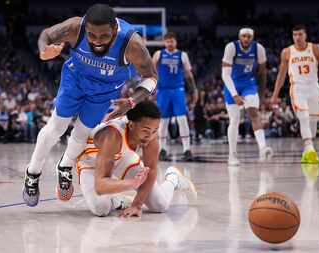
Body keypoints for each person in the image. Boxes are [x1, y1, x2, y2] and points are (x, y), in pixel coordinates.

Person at [23, 4, 157, 207]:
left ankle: (65, 167)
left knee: (82, 133)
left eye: (103, 36)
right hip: (74, 81)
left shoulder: (132, 44)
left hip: (104, 92)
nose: (96, 41)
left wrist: (131, 102)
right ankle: (32, 172)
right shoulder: (75, 27)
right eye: (92, 36)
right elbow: (46, 34)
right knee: (56, 128)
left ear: (114, 29)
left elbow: (151, 77)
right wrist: (44, 51)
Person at [76, 100, 196, 217]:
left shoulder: (151, 136)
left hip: (123, 159)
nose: (150, 136)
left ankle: (173, 178)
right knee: (101, 208)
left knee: (160, 205)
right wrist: (132, 183)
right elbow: (100, 185)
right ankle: (117, 199)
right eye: (146, 131)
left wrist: (137, 205)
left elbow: (152, 170)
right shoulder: (112, 135)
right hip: (91, 163)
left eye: (155, 131)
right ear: (132, 125)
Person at [271, 24, 319, 163]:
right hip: (297, 88)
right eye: (294, 35)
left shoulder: (315, 48)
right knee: (303, 116)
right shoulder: (287, 52)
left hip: (314, 87)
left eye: (300, 34)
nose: (297, 37)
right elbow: (281, 75)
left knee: (313, 120)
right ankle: (309, 148)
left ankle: (307, 150)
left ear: (306, 35)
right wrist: (275, 94)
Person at [221, 27, 273, 166]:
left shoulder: (259, 49)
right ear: (239, 37)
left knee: (253, 112)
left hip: (249, 85)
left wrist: (261, 94)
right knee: (234, 119)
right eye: (243, 36)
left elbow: (262, 73)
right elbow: (225, 75)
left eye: (249, 36)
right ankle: (232, 155)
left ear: (252, 37)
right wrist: (235, 95)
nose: (246, 39)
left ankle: (263, 148)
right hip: (232, 85)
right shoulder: (231, 47)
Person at [152, 32, 198, 161]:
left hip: (178, 90)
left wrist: (194, 89)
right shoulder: (158, 54)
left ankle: (187, 150)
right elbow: (151, 70)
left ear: (176, 42)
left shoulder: (182, 55)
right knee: (163, 121)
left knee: (182, 120)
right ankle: (162, 149)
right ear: (164, 42)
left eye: (172, 41)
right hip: (163, 91)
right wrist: (150, 87)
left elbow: (189, 74)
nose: (170, 43)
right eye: (167, 41)